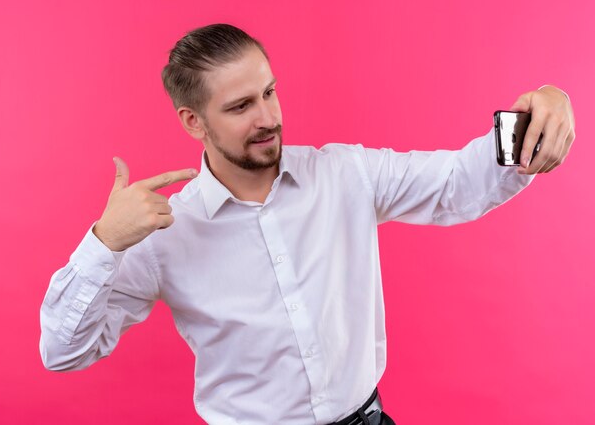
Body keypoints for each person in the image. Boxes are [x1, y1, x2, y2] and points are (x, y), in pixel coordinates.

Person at [39, 23, 575, 425]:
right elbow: (64, 353)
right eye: (241, 105)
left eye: (269, 92)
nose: (267, 118)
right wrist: (103, 243)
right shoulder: (163, 231)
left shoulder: (346, 174)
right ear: (193, 121)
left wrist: (539, 110)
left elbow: (460, 181)